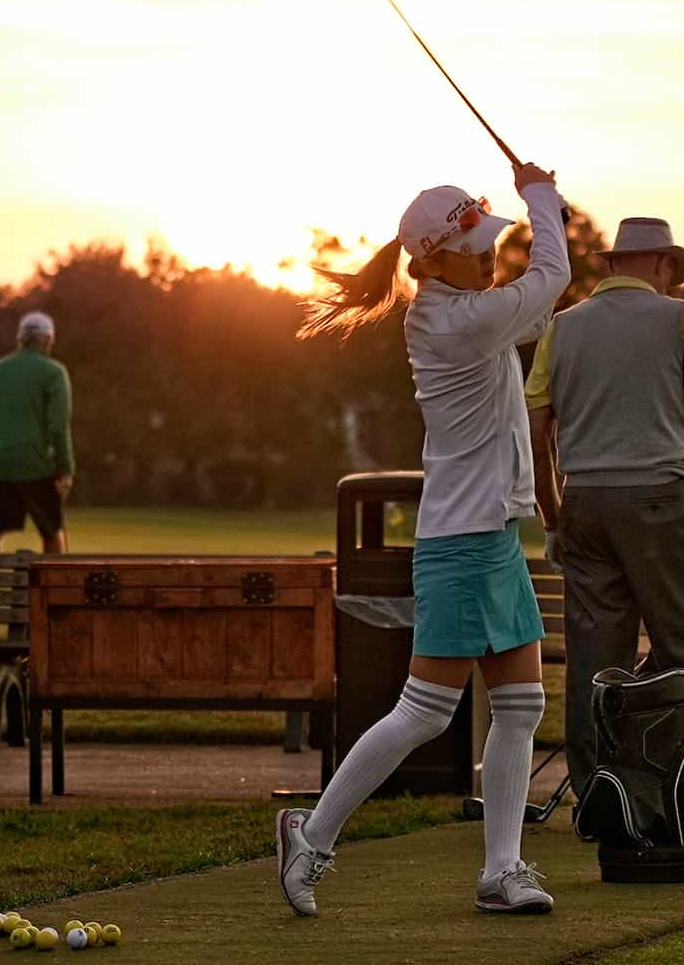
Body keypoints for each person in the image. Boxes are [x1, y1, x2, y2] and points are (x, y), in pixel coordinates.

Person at [277, 164, 570, 917]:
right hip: (461, 542)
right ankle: (310, 835)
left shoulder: (470, 309)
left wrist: (545, 212)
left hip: (492, 536)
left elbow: (538, 307)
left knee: (521, 705)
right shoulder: (454, 321)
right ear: (432, 260)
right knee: (425, 713)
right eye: (477, 248)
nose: (490, 257)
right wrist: (542, 197)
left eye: (492, 244)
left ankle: (502, 871)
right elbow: (551, 278)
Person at [524, 216, 684, 842]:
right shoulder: (680, 319)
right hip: (660, 500)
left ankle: (597, 803)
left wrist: (554, 516)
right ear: (663, 263)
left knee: (596, 662)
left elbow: (537, 434)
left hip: (585, 503)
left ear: (616, 262)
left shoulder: (562, 327)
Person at [0, 310, 75, 566]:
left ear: (20, 339)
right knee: (52, 531)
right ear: (49, 340)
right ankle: (54, 588)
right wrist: (65, 470)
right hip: (37, 465)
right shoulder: (54, 373)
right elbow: (58, 426)